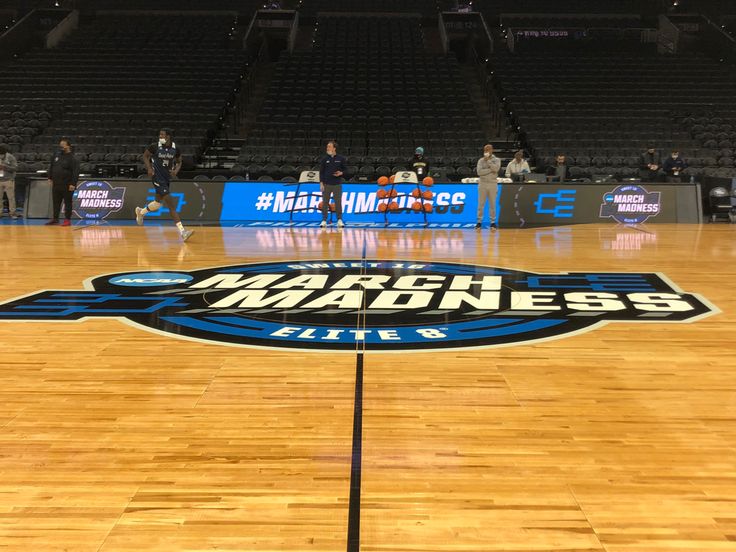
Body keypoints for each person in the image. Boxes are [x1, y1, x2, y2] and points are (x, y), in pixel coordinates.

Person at [135, 129, 193, 241]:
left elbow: (179, 161)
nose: (160, 136)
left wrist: (176, 171)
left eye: (162, 135)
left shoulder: (175, 148)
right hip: (157, 177)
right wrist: (149, 168)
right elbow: (145, 156)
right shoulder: (154, 146)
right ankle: (183, 232)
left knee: (157, 203)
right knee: (171, 205)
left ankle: (141, 212)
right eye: (160, 134)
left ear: (168, 136)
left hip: (166, 178)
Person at [46, 137, 79, 226]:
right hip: (56, 183)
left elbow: (76, 172)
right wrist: (50, 177)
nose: (61, 146)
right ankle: (55, 219)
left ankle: (67, 219)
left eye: (63, 145)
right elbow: (51, 166)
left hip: (67, 184)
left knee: (68, 202)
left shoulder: (73, 158)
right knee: (56, 202)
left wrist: (73, 184)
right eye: (60, 145)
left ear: (68, 146)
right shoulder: (56, 156)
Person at [319, 140, 348, 228]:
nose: (327, 148)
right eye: (327, 147)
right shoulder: (324, 159)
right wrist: (321, 183)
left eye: (329, 147)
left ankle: (339, 220)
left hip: (337, 184)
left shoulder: (341, 158)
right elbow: (321, 172)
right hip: (327, 184)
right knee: (325, 203)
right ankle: (324, 220)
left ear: (334, 148)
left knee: (338, 203)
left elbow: (346, 170)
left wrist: (341, 173)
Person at [476, 144, 501, 229]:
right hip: (482, 183)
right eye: (485, 149)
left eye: (488, 149)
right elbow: (479, 172)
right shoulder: (480, 160)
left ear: (492, 150)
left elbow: (496, 169)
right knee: (480, 204)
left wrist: (489, 162)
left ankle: (493, 222)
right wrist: (491, 170)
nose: (487, 151)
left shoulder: (497, 160)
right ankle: (479, 222)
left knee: (492, 204)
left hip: (492, 183)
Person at [0, 144, 18, 219]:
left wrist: (4, 167)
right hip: (0, 180)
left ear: (4, 153)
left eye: (1, 155)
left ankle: (12, 213)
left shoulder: (10, 157)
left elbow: (15, 168)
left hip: (8, 180)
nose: (0, 157)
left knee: (11, 198)